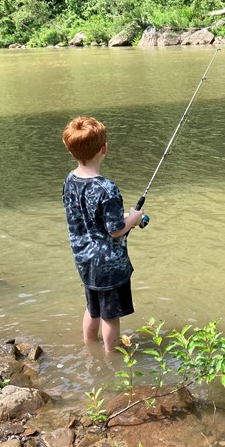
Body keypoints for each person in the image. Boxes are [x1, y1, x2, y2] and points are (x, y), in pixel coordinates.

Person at [62, 116, 144, 353]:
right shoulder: (107, 189)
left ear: (71, 150)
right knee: (111, 315)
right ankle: (111, 357)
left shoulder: (70, 179)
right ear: (104, 148)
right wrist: (134, 219)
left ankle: (89, 348)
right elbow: (115, 229)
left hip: (83, 259)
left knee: (92, 307)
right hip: (107, 265)